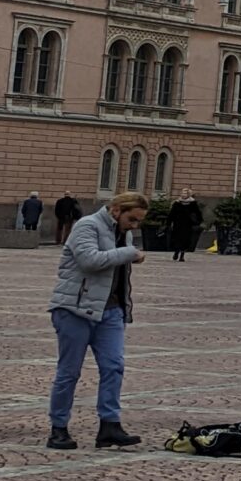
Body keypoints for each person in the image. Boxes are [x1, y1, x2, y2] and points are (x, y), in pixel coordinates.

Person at [49, 192, 148, 451]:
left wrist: (124, 307)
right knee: (69, 372)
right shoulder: (87, 226)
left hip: (111, 311)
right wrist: (129, 253)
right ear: (116, 210)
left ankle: (110, 425)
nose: (134, 226)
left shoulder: (124, 233)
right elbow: (89, 260)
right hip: (74, 309)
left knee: (114, 366)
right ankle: (58, 428)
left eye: (139, 221)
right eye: (132, 219)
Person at [166, 190, 205, 263]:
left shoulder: (192, 203)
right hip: (178, 224)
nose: (183, 195)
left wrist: (198, 221)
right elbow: (172, 213)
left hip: (187, 224)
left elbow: (197, 213)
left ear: (188, 195)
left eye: (185, 193)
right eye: (182, 193)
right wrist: (169, 223)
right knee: (177, 239)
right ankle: (176, 252)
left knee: (185, 239)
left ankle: (182, 255)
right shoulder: (177, 203)